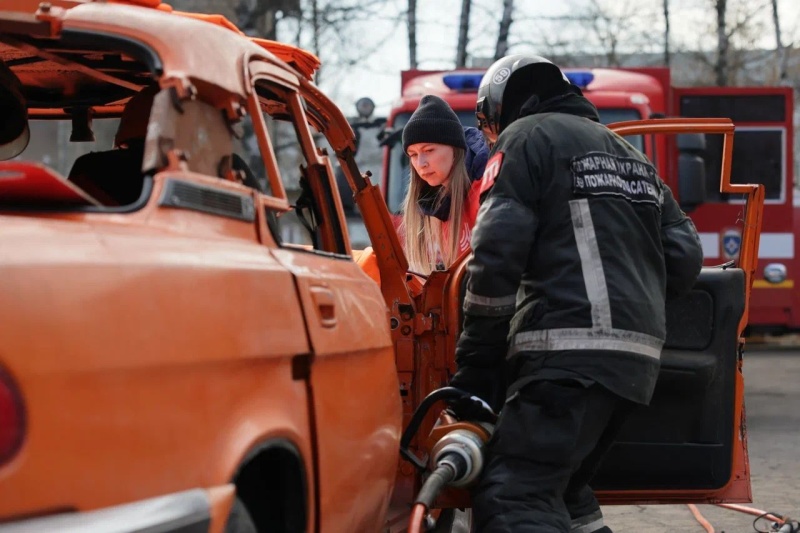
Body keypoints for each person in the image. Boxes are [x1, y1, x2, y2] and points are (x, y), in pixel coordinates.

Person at [447, 55, 704, 533]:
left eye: (486, 122)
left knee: (513, 497)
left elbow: (496, 255)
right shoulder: (631, 156)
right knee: (564, 494)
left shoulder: (524, 138)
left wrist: (477, 367)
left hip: (564, 355)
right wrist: (630, 299)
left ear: (501, 107)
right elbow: (685, 257)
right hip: (634, 365)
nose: (488, 134)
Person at [400, 94, 489, 274]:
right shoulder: (439, 205)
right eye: (413, 154)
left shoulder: (485, 192)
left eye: (429, 150)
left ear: (455, 150)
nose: (421, 163)